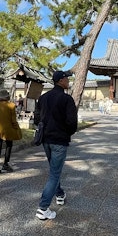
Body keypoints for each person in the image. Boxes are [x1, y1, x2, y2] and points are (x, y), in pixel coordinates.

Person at [33, 70, 78, 220]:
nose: (68, 81)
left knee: (54, 170)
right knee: (54, 173)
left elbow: (36, 118)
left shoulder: (43, 98)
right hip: (59, 140)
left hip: (46, 139)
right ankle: (43, 208)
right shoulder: (66, 99)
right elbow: (72, 122)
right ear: (60, 80)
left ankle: (59, 194)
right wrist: (67, 132)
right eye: (66, 79)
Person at [0, 89, 23, 174]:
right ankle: (6, 164)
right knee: (9, 145)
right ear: (7, 96)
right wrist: (16, 128)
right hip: (8, 129)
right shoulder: (11, 105)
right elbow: (13, 120)